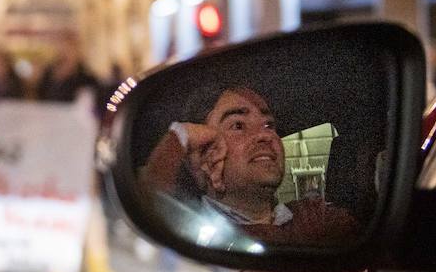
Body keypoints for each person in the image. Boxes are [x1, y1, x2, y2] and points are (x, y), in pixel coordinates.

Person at [138, 84, 359, 246]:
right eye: (238, 125)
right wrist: (179, 136)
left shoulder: (314, 217)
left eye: (268, 124)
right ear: (204, 158)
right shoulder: (189, 231)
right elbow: (146, 210)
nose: (265, 135)